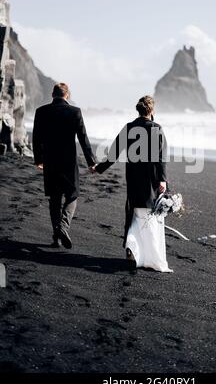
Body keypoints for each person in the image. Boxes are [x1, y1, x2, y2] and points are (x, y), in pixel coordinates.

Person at [93, 95, 173, 273]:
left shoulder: (129, 128)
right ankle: (140, 251)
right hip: (150, 179)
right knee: (149, 216)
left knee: (136, 211)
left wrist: (99, 168)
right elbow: (161, 158)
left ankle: (132, 248)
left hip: (134, 177)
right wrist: (162, 180)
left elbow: (114, 153)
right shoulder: (156, 128)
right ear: (151, 110)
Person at [32, 83, 95, 248]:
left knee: (54, 198)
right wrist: (91, 162)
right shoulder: (75, 112)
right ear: (67, 95)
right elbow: (83, 138)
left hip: (50, 160)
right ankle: (63, 227)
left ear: (53, 94)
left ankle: (56, 237)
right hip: (68, 162)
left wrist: (38, 159)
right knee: (72, 195)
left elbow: (36, 137)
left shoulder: (41, 111)